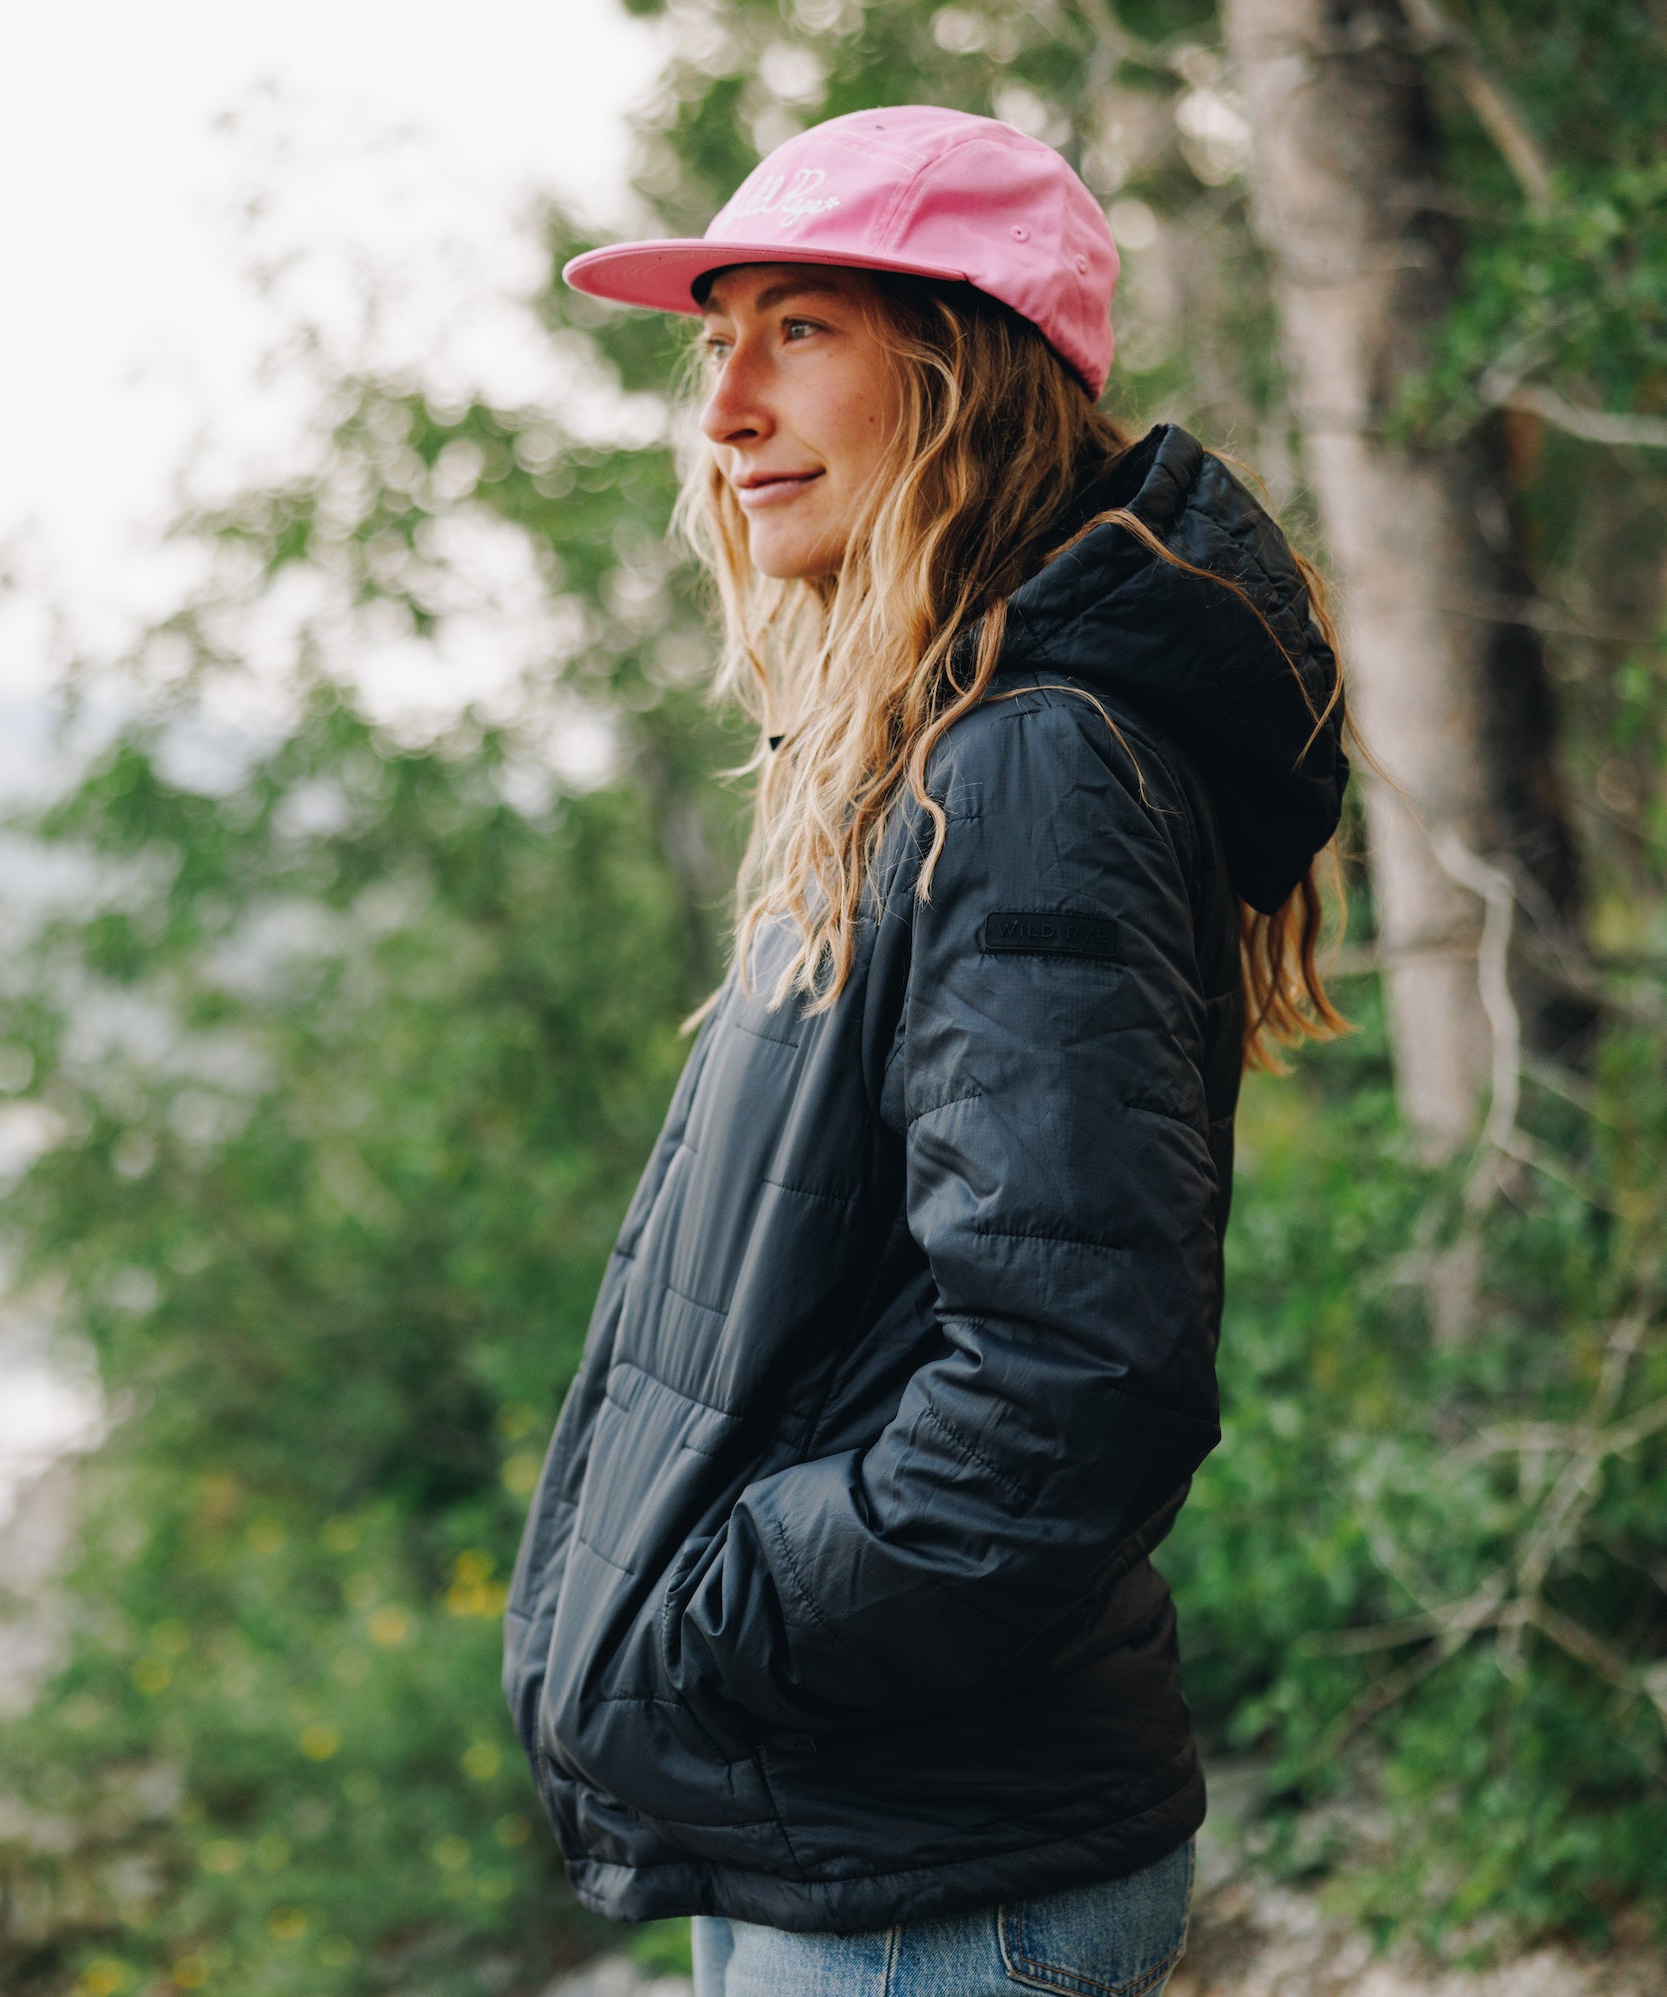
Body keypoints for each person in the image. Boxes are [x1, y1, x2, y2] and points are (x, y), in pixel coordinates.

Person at [503, 105, 1349, 1997]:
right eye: (715, 341)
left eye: (798, 330)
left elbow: (1071, 1381)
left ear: (961, 376)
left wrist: (726, 1612)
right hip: (853, 1828)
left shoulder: (1026, 767)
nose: (725, 407)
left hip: (924, 1882)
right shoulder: (913, 760)